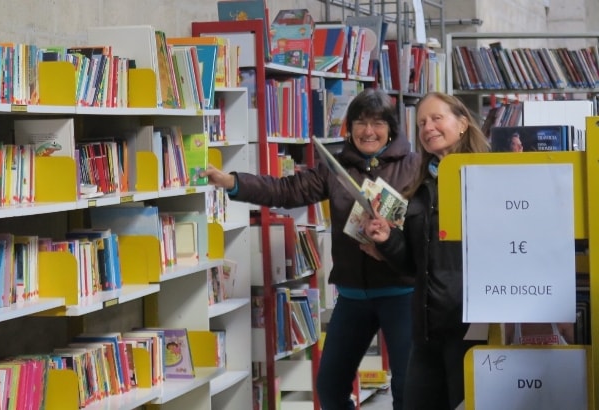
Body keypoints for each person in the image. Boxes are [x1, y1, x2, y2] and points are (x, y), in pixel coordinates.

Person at [204, 88, 420, 410]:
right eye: (360, 122)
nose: (368, 131)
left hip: (400, 293)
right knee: (329, 388)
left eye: (377, 123)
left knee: (407, 390)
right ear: (349, 128)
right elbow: (285, 191)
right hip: (352, 295)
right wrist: (232, 182)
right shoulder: (336, 168)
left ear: (391, 128)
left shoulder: (413, 166)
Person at [362, 91, 490, 410]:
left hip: (471, 328)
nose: (427, 127)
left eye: (436, 118)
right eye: (421, 123)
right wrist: (386, 239)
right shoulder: (419, 187)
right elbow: (411, 265)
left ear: (462, 123)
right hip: (426, 330)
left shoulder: (488, 176)